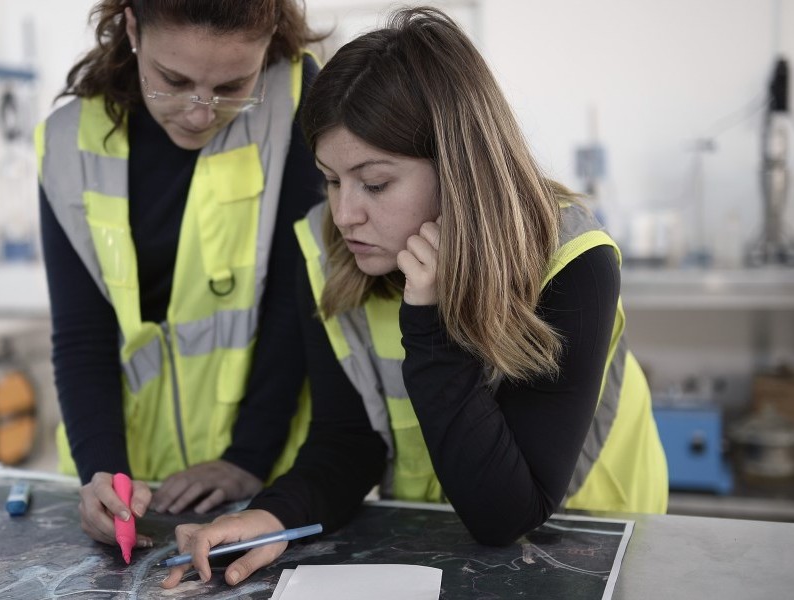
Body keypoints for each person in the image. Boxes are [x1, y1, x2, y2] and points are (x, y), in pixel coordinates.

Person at [163, 5, 668, 588]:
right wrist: (276, 515)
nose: (345, 213)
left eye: (375, 183)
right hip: (442, 536)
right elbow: (348, 439)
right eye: (331, 179)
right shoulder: (328, 249)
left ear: (458, 171)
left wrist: (428, 323)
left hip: (591, 540)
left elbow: (507, 513)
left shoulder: (572, 261)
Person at [34, 0, 327, 549]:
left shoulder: (296, 100)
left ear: (267, 44)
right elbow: (81, 336)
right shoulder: (68, 143)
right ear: (131, 28)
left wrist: (249, 457)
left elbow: (300, 300)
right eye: (173, 80)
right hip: (131, 479)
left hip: (261, 479)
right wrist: (101, 474)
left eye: (233, 85)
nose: (199, 112)